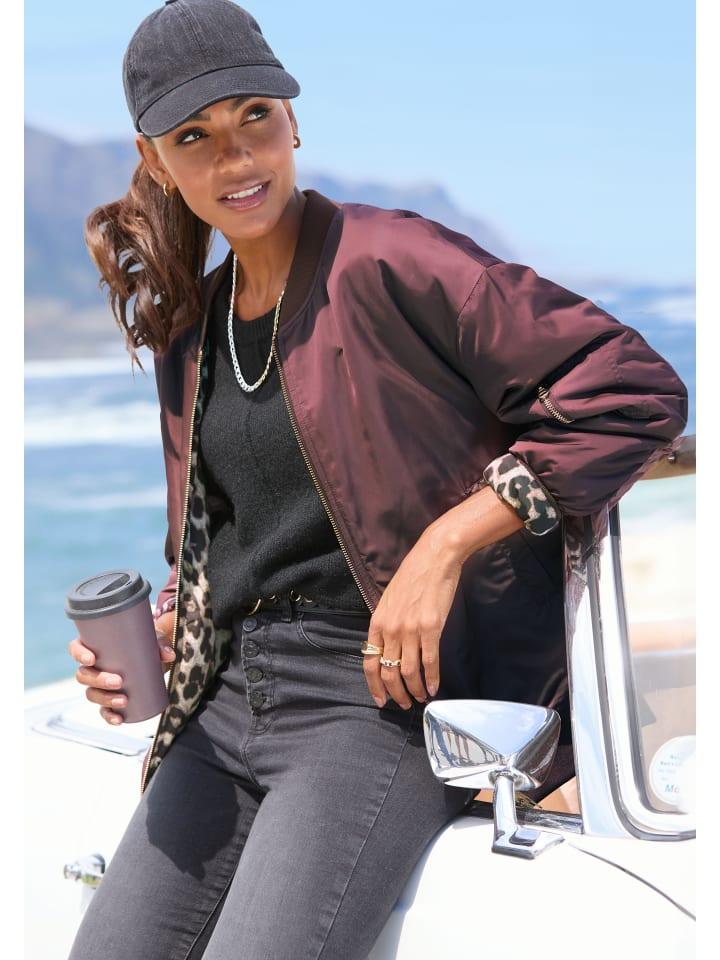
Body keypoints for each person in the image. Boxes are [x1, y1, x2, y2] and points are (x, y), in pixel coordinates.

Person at [66, 2, 688, 959]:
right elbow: (239, 545)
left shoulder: (395, 260)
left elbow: (635, 392)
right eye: (195, 137)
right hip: (221, 706)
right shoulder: (194, 329)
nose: (237, 158)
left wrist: (448, 543)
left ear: (293, 119)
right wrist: (166, 635)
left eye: (254, 117)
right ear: (155, 161)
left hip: (372, 707)